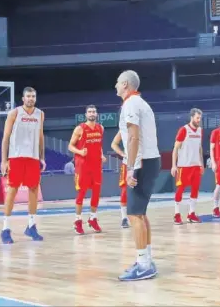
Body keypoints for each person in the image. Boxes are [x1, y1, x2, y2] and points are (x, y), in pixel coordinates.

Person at [115, 70, 160, 281]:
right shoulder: (142, 103)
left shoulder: (131, 104)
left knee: (133, 215)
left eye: (117, 82)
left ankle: (143, 265)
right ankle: (146, 260)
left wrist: (131, 168)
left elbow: (133, 138)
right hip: (150, 160)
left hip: (141, 162)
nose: (115, 85)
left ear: (125, 84)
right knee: (140, 213)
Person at [0, 87, 46, 244]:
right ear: (23, 98)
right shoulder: (14, 113)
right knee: (12, 191)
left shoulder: (40, 114)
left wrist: (42, 157)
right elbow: (5, 137)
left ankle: (31, 226)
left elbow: (40, 137)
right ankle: (5, 228)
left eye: (33, 96)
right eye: (28, 96)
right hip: (16, 157)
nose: (31, 98)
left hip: (33, 158)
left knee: (33, 190)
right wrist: (4, 160)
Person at [68, 105, 107, 235]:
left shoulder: (100, 128)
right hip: (83, 166)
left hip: (96, 165)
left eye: (94, 111)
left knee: (96, 193)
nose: (92, 113)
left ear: (96, 114)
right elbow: (70, 146)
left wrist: (101, 155)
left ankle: (92, 218)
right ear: (86, 114)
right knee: (82, 193)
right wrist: (79, 151)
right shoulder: (80, 129)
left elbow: (99, 145)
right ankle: (78, 221)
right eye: (89, 112)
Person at [171, 108, 204, 224]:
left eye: (200, 118)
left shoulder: (200, 130)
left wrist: (202, 164)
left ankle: (191, 214)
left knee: (195, 190)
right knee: (180, 189)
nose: (199, 120)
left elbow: (199, 148)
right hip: (183, 166)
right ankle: (177, 214)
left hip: (196, 166)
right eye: (197, 118)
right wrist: (173, 166)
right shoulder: (183, 130)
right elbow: (175, 148)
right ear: (192, 117)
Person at [110, 131, 130, 228]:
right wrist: (122, 153)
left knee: (141, 190)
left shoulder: (143, 126)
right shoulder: (123, 128)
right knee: (124, 191)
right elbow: (113, 144)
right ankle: (124, 218)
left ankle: (140, 215)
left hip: (142, 162)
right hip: (127, 163)